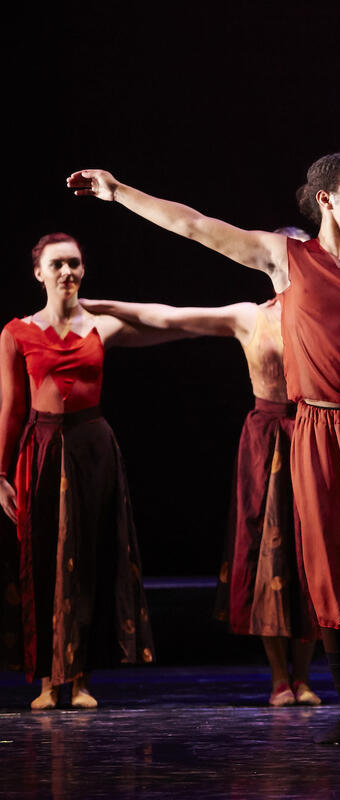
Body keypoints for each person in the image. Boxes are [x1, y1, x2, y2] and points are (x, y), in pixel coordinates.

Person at [67, 155, 340, 745]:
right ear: (325, 199)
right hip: (320, 433)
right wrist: (119, 191)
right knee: (331, 564)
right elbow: (196, 226)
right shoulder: (287, 258)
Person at [79, 227, 321, 709]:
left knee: (310, 557)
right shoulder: (250, 317)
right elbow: (171, 317)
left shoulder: (326, 317)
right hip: (267, 440)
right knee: (268, 556)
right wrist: (100, 305)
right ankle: (280, 679)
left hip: (314, 436)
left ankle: (305, 676)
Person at [0, 233, 170, 709]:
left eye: (74, 263)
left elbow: (164, 322)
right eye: (56, 264)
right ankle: (47, 681)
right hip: (42, 449)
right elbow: (10, 408)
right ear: (39, 273)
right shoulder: (17, 332)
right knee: (43, 560)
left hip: (93, 449)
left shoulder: (101, 327)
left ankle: (80, 681)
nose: (66, 272)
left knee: (91, 557)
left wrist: (107, 305)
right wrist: (0, 474)